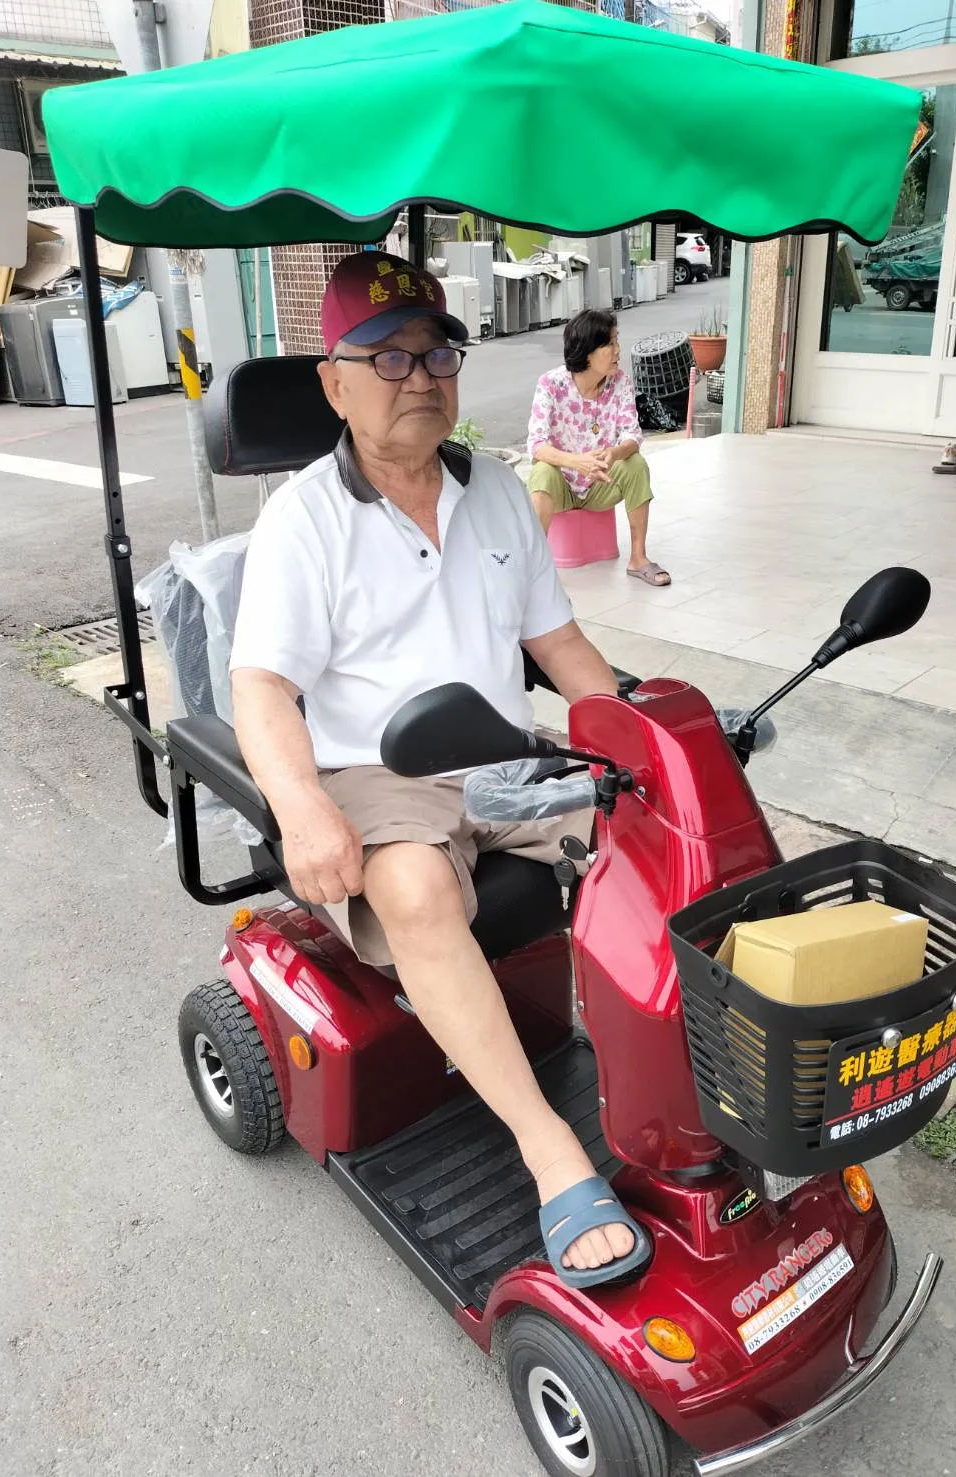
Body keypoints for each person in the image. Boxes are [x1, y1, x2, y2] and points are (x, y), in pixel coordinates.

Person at [229, 252, 648, 1289]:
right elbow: (263, 688)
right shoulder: (301, 519)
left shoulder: (498, 489)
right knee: (414, 886)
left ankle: (672, 1084)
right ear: (334, 383)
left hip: (505, 755)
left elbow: (560, 645)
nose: (418, 377)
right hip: (378, 772)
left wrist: (642, 740)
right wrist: (301, 806)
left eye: (435, 354)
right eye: (386, 358)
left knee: (657, 831)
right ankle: (550, 1149)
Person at [526, 309, 671, 587]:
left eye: (617, 341)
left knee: (635, 464)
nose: (618, 350)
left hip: (601, 483)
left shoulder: (620, 382)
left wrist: (614, 454)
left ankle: (638, 558)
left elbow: (632, 435)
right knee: (542, 472)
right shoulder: (551, 384)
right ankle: (534, 568)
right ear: (587, 352)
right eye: (610, 344)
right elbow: (536, 444)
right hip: (561, 487)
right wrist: (577, 462)